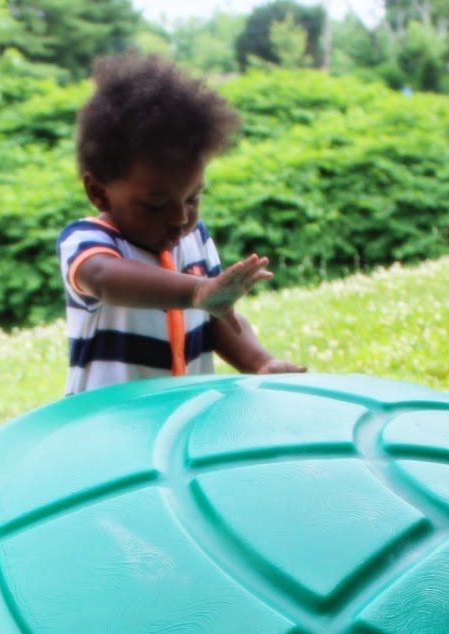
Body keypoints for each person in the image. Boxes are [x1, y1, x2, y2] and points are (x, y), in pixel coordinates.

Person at [58, 54, 305, 396]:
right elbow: (103, 278)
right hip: (106, 427)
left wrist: (259, 362)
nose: (180, 217)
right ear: (99, 192)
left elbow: (215, 318)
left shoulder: (196, 241)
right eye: (156, 204)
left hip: (178, 418)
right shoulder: (88, 241)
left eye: (192, 198)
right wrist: (196, 291)